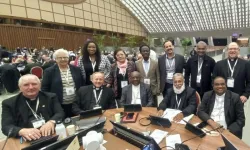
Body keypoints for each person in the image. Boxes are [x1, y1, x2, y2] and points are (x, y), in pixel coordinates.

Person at [1, 74, 64, 140]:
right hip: (26, 139)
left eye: (34, 84)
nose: (31, 87)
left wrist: (51, 122)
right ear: (20, 87)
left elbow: (60, 113)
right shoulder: (9, 103)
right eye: (26, 85)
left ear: (40, 85)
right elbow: (6, 126)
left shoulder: (50, 97)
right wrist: (21, 131)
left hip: (50, 134)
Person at [42, 49, 84, 118]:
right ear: (55, 59)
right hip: (59, 103)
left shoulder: (76, 69)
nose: (63, 59)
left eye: (65, 57)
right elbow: (44, 88)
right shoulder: (49, 71)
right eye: (60, 58)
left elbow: (82, 84)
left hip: (76, 103)